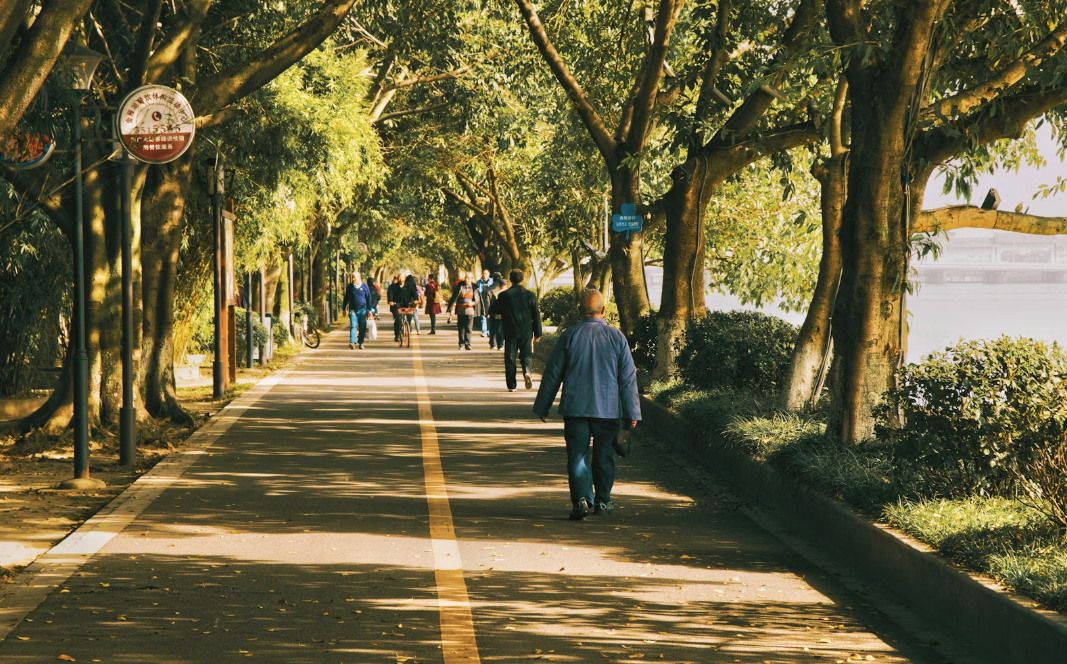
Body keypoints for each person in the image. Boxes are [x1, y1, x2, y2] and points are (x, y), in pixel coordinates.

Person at [533, 289, 641, 521]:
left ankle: (581, 499)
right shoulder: (616, 337)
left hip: (576, 408)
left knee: (577, 455)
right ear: (603, 310)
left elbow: (553, 373)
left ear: (579, 310)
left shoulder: (569, 335)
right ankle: (603, 501)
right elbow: (627, 378)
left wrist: (543, 406)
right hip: (608, 409)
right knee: (604, 456)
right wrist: (632, 411)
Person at [490, 269, 541, 390]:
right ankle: (527, 371)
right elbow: (536, 315)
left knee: (510, 358)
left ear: (510, 280)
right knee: (526, 355)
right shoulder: (530, 295)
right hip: (526, 331)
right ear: (523, 280)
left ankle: (512, 385)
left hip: (510, 330)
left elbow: (495, 309)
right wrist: (538, 332)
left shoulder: (504, 295)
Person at [341, 272, 372, 349]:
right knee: (353, 326)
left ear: (359, 277)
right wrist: (343, 308)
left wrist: (369, 310)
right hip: (353, 310)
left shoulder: (365, 286)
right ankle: (352, 342)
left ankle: (361, 342)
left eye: (354, 277)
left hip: (363, 310)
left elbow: (368, 298)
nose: (353, 279)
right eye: (352, 277)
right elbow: (346, 298)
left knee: (362, 327)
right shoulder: (350, 287)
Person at [447, 271, 477, 350]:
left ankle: (468, 343)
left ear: (471, 278)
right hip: (461, 310)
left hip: (470, 311)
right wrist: (452, 309)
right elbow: (455, 299)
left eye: (469, 278)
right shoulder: (459, 286)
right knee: (461, 328)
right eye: (466, 277)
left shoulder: (474, 287)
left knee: (469, 328)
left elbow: (478, 300)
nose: (467, 279)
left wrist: (473, 303)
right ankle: (461, 343)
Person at [486, 272, 505, 350]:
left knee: (492, 328)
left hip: (492, 310)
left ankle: (492, 344)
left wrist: (487, 312)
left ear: (493, 279)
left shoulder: (489, 288)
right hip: (502, 312)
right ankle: (500, 344)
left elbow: (487, 302)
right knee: (500, 328)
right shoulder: (504, 288)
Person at [475, 269, 493, 338]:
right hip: (482, 301)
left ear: (489, 274)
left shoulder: (492, 281)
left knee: (490, 316)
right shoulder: (479, 282)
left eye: (486, 273)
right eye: (483, 273)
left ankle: (490, 331)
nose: (484, 275)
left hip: (490, 301)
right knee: (483, 317)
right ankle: (484, 331)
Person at [387, 274, 403, 342]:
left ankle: (405, 327)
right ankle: (397, 335)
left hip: (404, 305)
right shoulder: (391, 287)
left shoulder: (404, 286)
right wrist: (391, 301)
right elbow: (390, 294)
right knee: (398, 319)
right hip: (395, 305)